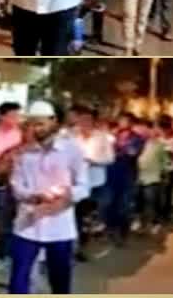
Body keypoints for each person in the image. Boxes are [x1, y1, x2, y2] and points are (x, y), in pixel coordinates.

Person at [8, 100, 89, 294]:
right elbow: (16, 185)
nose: (36, 128)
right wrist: (33, 197)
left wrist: (69, 196)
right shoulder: (23, 152)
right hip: (27, 224)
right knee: (18, 279)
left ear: (54, 121)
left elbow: (84, 185)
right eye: (32, 124)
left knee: (60, 279)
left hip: (59, 226)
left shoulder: (72, 150)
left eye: (41, 123)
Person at [71, 104, 114, 261]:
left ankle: (84, 245)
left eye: (88, 120)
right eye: (81, 120)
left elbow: (110, 158)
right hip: (75, 182)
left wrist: (94, 161)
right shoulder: (71, 136)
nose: (84, 123)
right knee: (76, 216)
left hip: (95, 182)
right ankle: (74, 247)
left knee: (87, 218)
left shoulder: (101, 137)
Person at [0, 102, 24, 270]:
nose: (15, 119)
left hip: (12, 183)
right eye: (11, 115)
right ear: (1, 116)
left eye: (17, 115)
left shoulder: (21, 135)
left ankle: (5, 253)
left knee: (5, 218)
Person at [105, 113, 144, 246]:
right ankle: (110, 228)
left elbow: (133, 152)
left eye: (126, 121)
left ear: (131, 123)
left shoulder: (137, 138)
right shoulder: (112, 135)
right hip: (111, 173)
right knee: (110, 203)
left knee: (124, 205)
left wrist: (120, 147)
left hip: (127, 174)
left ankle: (122, 233)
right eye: (121, 120)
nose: (122, 123)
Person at [135, 120, 169, 234]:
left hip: (153, 177)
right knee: (139, 200)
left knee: (153, 201)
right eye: (149, 129)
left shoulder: (160, 145)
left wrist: (164, 173)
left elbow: (165, 161)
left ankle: (156, 222)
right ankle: (139, 221)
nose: (151, 131)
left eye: (154, 129)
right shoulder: (142, 143)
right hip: (140, 176)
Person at [158, 115, 173, 223]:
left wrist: (169, 152)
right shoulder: (158, 138)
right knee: (158, 191)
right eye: (162, 129)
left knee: (167, 191)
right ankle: (158, 212)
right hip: (158, 169)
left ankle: (166, 213)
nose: (164, 131)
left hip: (170, 169)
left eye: (166, 129)